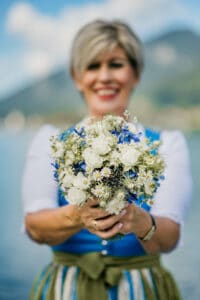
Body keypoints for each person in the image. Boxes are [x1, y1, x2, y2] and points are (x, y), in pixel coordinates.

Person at [22, 20, 192, 300]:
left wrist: (138, 220)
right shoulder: (50, 142)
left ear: (135, 74)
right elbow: (35, 227)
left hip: (142, 290)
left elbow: (170, 238)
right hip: (67, 290)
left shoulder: (166, 144)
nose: (104, 77)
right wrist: (77, 215)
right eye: (92, 66)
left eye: (116, 64)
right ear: (77, 77)